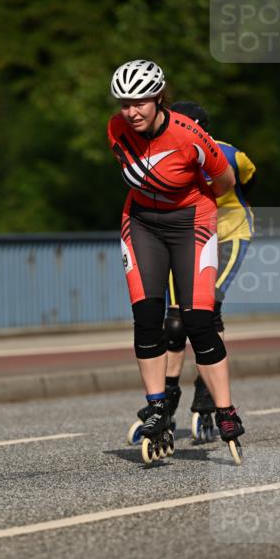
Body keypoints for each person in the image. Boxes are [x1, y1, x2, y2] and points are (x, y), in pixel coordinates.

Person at [108, 59, 245, 462]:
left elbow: (224, 182)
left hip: (192, 223)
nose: (131, 111)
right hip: (141, 224)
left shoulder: (190, 137)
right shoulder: (116, 129)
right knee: (148, 319)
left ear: (159, 97)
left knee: (199, 321)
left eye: (140, 102)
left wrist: (187, 200)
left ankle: (224, 410)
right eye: (124, 102)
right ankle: (156, 408)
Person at [162, 100, 256, 441]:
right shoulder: (161, 154)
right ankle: (167, 399)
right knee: (174, 319)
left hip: (230, 232)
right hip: (188, 235)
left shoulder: (229, 154)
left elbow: (248, 179)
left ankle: (207, 398)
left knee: (206, 308)